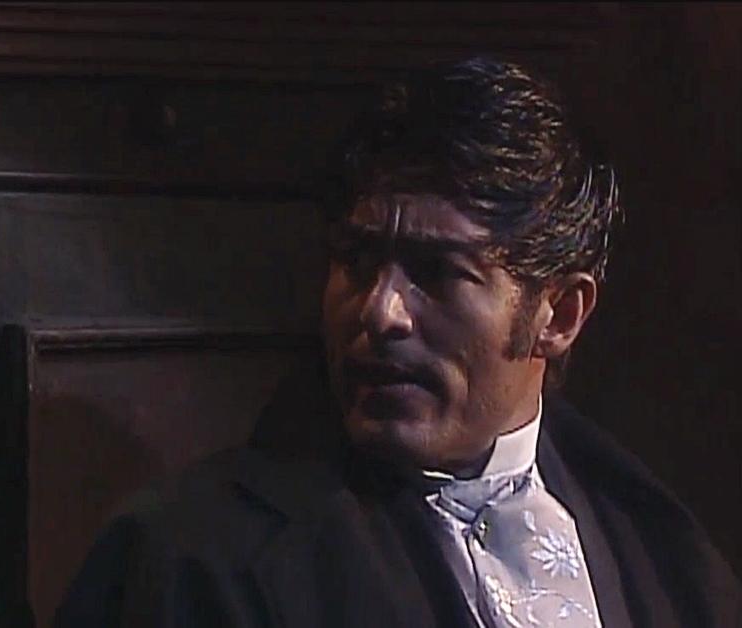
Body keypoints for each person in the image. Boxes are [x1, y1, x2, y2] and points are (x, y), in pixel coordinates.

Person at [54, 57, 741, 627]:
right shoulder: (186, 560)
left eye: (438, 273)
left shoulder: (663, 557)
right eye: (357, 262)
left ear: (558, 315)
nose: (382, 313)